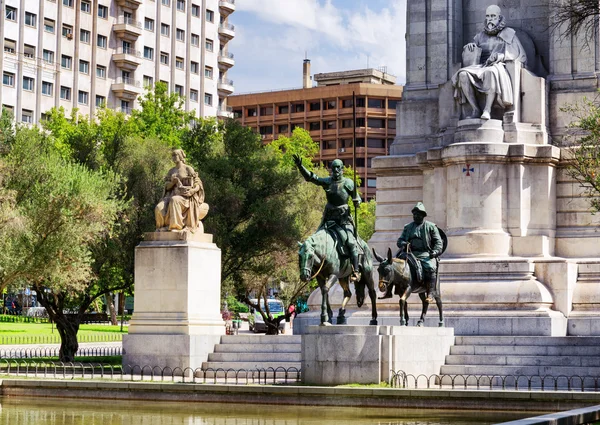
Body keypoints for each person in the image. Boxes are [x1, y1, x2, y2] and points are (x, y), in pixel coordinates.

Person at [292, 155, 362, 282]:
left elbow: (357, 197)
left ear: (342, 169)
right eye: (333, 168)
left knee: (351, 243)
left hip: (343, 221)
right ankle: (311, 269)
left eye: (338, 168)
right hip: (328, 220)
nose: (335, 171)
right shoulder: (328, 182)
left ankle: (356, 271)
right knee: (314, 241)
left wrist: (357, 201)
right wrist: (300, 166)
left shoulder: (348, 183)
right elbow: (312, 178)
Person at [451, 5, 526, 120]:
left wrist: (501, 56)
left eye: (493, 16)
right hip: (480, 66)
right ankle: (475, 109)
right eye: (488, 16)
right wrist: (471, 46)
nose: (490, 19)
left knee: (491, 72)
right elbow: (472, 51)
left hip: (498, 65)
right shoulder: (480, 36)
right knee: (463, 74)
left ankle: (487, 109)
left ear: (499, 17)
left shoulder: (509, 34)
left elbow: (517, 54)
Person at [380, 202, 443, 303]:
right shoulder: (408, 227)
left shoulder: (431, 227)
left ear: (423, 215)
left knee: (431, 267)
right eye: (414, 214)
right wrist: (403, 243)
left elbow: (439, 243)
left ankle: (430, 292)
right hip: (408, 253)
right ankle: (388, 291)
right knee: (391, 265)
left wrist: (435, 252)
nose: (416, 216)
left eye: (418, 214)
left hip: (425, 254)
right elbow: (399, 241)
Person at [155, 149, 207, 232]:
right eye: (172, 155)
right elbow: (167, 187)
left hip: (185, 196)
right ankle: (161, 227)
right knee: (159, 207)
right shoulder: (171, 171)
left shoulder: (188, 169)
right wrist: (173, 183)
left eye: (176, 155)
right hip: (172, 194)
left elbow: (197, 183)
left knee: (175, 200)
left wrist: (192, 191)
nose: (174, 157)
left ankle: (176, 226)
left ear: (181, 156)